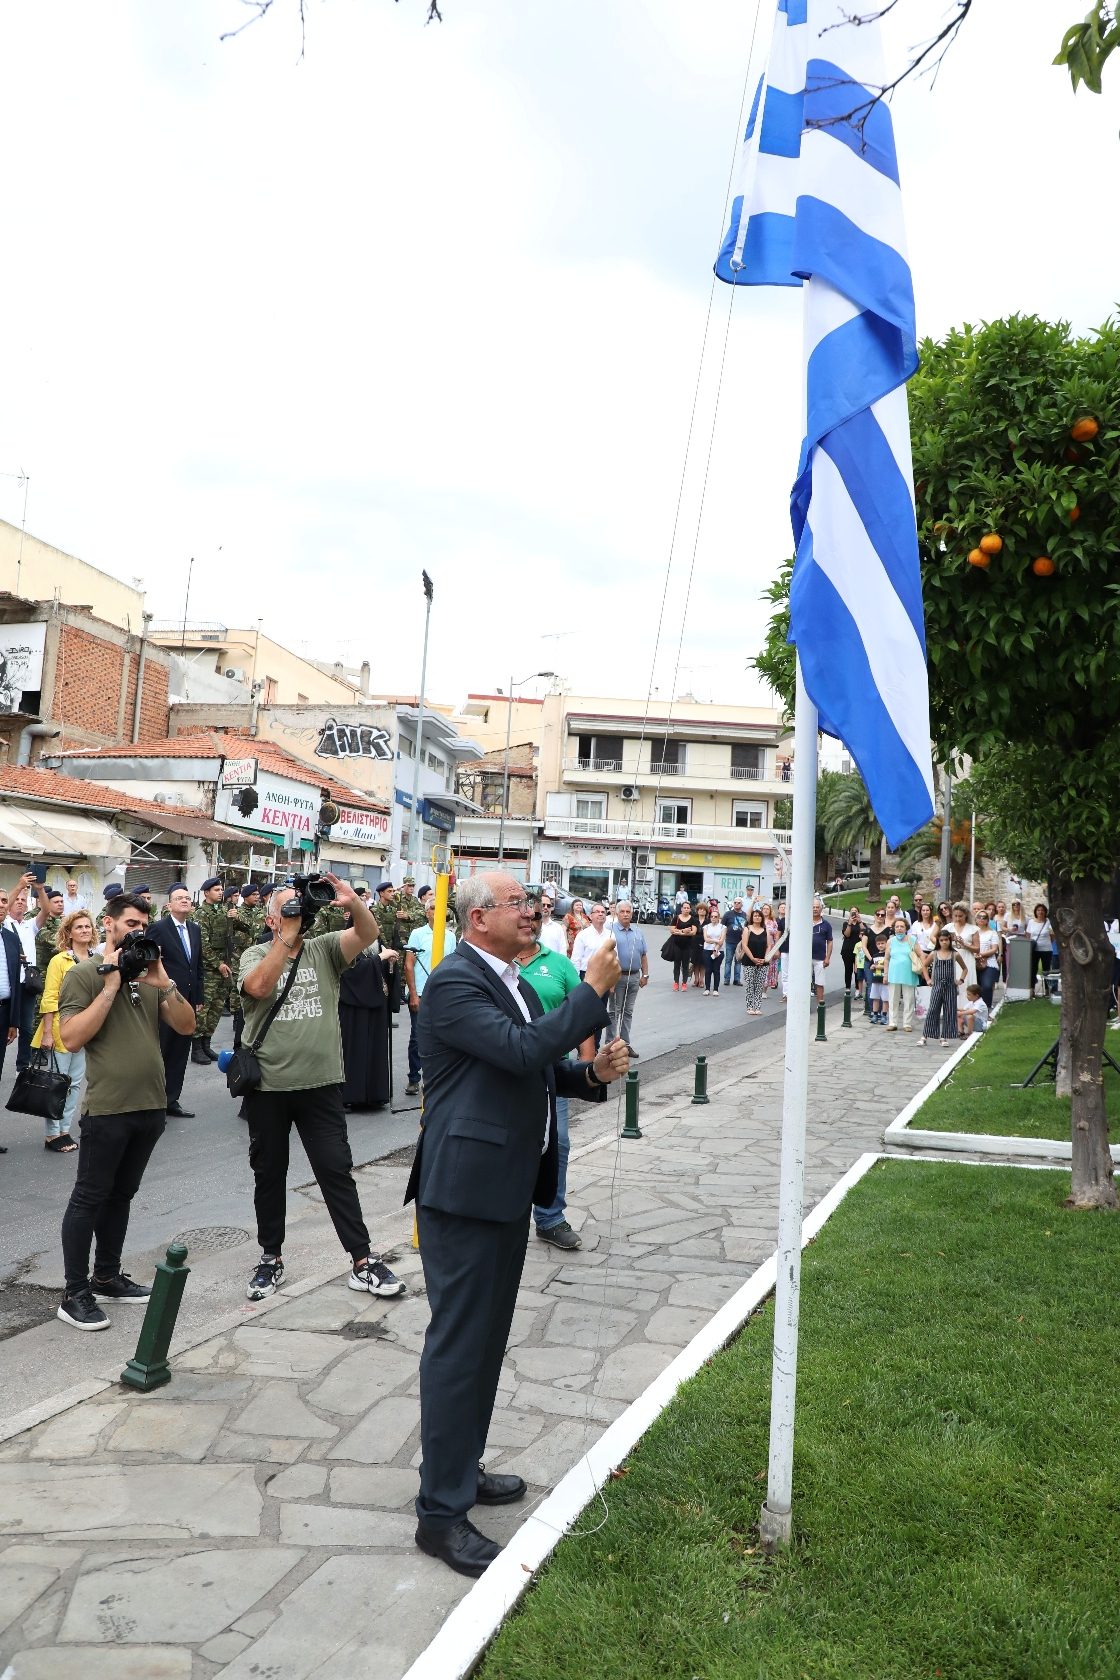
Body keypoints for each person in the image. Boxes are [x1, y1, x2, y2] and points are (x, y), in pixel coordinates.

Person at [407, 872, 628, 1578]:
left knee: (485, 1344)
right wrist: (591, 993)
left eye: (533, 904)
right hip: (464, 1192)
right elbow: (521, 1049)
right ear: (477, 918)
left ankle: (460, 1470)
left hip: (502, 1190)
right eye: (518, 904)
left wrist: (591, 1078)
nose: (534, 913)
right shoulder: (454, 981)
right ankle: (440, 1516)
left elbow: (536, 1066)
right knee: (459, 1349)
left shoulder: (513, 976)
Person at [238, 875, 405, 1304]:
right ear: (271, 919)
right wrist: (286, 940)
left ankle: (363, 1260)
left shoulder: (325, 949)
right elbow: (258, 988)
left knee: (336, 1172)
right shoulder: (255, 953)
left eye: (299, 907)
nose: (296, 913)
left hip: (322, 1086)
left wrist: (353, 903)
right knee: (269, 1175)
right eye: (287, 908)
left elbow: (367, 933)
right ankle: (271, 1258)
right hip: (269, 1087)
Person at [55, 892, 196, 1329]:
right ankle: (74, 1292)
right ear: (109, 924)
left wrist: (164, 983)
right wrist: (111, 985)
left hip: (151, 1107)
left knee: (122, 1196)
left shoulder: (149, 975)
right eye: (130, 923)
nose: (137, 931)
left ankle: (107, 1276)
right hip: (108, 1109)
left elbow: (187, 1026)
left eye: (142, 926)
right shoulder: (84, 974)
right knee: (89, 1197)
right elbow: (72, 1037)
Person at [518, 896, 595, 1252]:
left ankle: (549, 1218)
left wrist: (587, 1063)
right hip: (506, 1068)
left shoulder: (560, 965)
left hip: (553, 1073)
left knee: (558, 1142)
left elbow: (583, 1014)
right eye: (522, 914)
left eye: (535, 916)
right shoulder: (493, 963)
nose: (528, 921)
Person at [33, 908, 96, 1151]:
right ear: (68, 933)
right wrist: (48, 1032)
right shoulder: (60, 960)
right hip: (60, 1029)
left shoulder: (96, 959)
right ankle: (52, 1135)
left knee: (75, 1084)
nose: (84, 930)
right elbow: (49, 998)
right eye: (78, 927)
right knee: (57, 1083)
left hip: (86, 1029)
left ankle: (65, 1129)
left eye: (87, 926)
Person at [149, 884, 205, 1117]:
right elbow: (152, 964)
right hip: (165, 999)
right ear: (169, 904)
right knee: (162, 1048)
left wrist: (198, 996)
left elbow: (197, 966)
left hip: (188, 1000)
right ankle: (154, 1100)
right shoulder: (158, 928)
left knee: (180, 1050)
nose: (184, 901)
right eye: (179, 898)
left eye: (187, 898)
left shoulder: (195, 929)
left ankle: (172, 1099)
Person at [404, 899, 459, 1095]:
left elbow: (454, 964)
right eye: (433, 908)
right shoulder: (418, 934)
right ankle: (413, 1077)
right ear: (427, 913)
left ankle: (436, 1077)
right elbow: (409, 964)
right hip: (421, 991)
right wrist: (412, 994)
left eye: (440, 908)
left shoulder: (450, 936)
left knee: (444, 1035)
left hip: (443, 992)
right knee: (418, 1036)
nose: (437, 911)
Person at [339, 906, 392, 1111]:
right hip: (353, 1007)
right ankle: (351, 1096)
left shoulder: (378, 943)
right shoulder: (346, 940)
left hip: (375, 1004)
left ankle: (374, 1095)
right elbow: (352, 972)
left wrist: (389, 965)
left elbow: (380, 970)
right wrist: (380, 959)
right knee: (353, 1051)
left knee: (374, 1050)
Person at [5, 876, 42, 1070]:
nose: (20, 902)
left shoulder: (30, 925)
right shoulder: (4, 924)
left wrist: (40, 889)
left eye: (23, 900)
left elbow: (46, 910)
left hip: (27, 984)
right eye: (16, 899)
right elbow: (3, 906)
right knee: (4, 1027)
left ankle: (22, 1067)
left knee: (27, 1028)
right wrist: (20, 885)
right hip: (9, 984)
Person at [192, 876, 228, 1063]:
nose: (221, 892)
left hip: (224, 967)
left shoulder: (224, 911)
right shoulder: (201, 914)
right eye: (216, 890)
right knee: (203, 1009)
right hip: (209, 969)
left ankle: (207, 1045)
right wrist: (218, 964)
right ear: (206, 893)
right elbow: (202, 944)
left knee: (216, 1007)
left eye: (221, 889)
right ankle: (196, 1048)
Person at [605, 897, 648, 1054]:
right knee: (614, 1011)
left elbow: (643, 954)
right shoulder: (610, 930)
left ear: (632, 913)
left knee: (628, 1011)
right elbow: (606, 955)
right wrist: (609, 979)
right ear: (616, 913)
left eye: (628, 911)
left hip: (635, 976)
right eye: (622, 911)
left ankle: (625, 1044)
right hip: (616, 977)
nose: (625, 914)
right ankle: (609, 1045)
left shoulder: (638, 930)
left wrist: (646, 975)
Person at [0, 883, 25, 1153]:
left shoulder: (10, 938)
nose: (2, 905)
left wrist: (13, 1021)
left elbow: (16, 984)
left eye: (4, 901)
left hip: (4, 1012)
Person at [921, 929, 968, 1046]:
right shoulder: (934, 954)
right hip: (937, 986)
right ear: (938, 941)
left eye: (946, 940)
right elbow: (924, 966)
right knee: (933, 1010)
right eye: (941, 940)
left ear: (950, 940)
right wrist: (928, 979)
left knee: (949, 1011)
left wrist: (960, 980)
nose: (944, 942)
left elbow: (965, 968)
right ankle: (925, 1036)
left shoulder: (955, 954)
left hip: (950, 987)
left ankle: (944, 1037)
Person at [885, 916, 920, 1032]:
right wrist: (885, 974)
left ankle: (907, 1023)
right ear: (894, 928)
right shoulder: (890, 941)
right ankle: (892, 1022)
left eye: (902, 927)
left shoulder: (912, 940)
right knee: (893, 999)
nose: (899, 929)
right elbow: (886, 959)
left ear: (906, 928)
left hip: (909, 974)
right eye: (897, 927)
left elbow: (920, 955)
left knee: (908, 999)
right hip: (894, 974)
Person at [737, 906, 770, 1014]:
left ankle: (758, 1007)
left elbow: (769, 946)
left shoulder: (766, 930)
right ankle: (750, 1007)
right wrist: (752, 958)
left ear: (762, 918)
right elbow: (744, 945)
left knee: (759, 984)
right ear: (752, 917)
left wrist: (765, 959)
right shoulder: (747, 929)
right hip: (749, 960)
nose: (757, 917)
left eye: (759, 916)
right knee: (750, 984)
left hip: (763, 962)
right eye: (755, 916)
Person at [571, 900, 609, 978]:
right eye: (597, 912)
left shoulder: (611, 935)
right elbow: (576, 960)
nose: (600, 914)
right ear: (591, 916)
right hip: (586, 975)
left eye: (603, 912)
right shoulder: (583, 935)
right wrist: (576, 980)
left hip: (605, 977)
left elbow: (615, 958)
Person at [667, 898, 698, 993]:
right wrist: (684, 931)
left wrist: (679, 932)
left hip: (687, 945)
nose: (686, 909)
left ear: (690, 909)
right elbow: (672, 930)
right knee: (676, 964)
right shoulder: (676, 918)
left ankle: (684, 983)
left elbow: (693, 932)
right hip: (677, 944)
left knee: (685, 965)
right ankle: (676, 983)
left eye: (688, 908)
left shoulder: (692, 919)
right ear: (681, 909)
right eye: (684, 907)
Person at [975, 911, 1001, 1011]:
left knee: (986, 986)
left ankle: (986, 1008)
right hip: (973, 962)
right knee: (975, 988)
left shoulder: (992, 933)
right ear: (976, 919)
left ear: (987, 920)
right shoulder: (973, 932)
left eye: (984, 917)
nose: (981, 919)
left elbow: (994, 949)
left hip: (989, 962)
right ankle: (975, 1009)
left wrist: (980, 954)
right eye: (979, 917)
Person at [1026, 902, 1054, 995]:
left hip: (1046, 949)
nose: (1040, 912)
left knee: (1046, 970)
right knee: (1033, 969)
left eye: (1042, 910)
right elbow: (1028, 935)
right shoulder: (1031, 922)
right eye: (1038, 910)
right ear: (1035, 912)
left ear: (1045, 912)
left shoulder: (1048, 922)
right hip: (1034, 949)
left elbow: (1052, 935)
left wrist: (1048, 943)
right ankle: (1032, 989)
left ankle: (1047, 990)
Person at [810, 897, 834, 1003]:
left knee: (819, 983)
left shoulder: (826, 924)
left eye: (817, 907)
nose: (815, 909)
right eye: (813, 907)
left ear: (821, 909)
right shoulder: (804, 922)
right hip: (805, 958)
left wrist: (827, 957)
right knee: (804, 983)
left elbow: (830, 941)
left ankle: (820, 1006)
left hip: (820, 958)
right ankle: (804, 1006)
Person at [701, 904, 726, 995]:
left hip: (719, 951)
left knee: (716, 970)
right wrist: (716, 940)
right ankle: (707, 988)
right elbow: (706, 939)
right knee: (708, 970)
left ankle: (716, 989)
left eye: (715, 917)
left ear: (719, 918)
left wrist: (716, 946)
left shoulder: (723, 927)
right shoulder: (706, 927)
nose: (713, 918)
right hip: (707, 950)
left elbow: (721, 941)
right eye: (712, 916)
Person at [721, 898, 746, 987]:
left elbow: (746, 928)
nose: (736, 904)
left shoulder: (744, 915)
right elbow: (722, 926)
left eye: (738, 903)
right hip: (729, 941)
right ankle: (726, 979)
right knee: (728, 961)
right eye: (735, 903)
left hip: (740, 942)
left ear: (741, 904)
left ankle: (737, 980)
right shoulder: (728, 914)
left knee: (738, 961)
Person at [868, 932, 889, 1024]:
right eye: (878, 944)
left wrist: (881, 967)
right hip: (875, 979)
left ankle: (884, 1015)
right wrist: (872, 967)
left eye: (882, 943)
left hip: (884, 980)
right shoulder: (875, 956)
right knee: (875, 998)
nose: (880, 945)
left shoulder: (888, 955)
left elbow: (889, 966)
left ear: (886, 943)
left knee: (885, 999)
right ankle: (875, 1014)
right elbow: (871, 965)